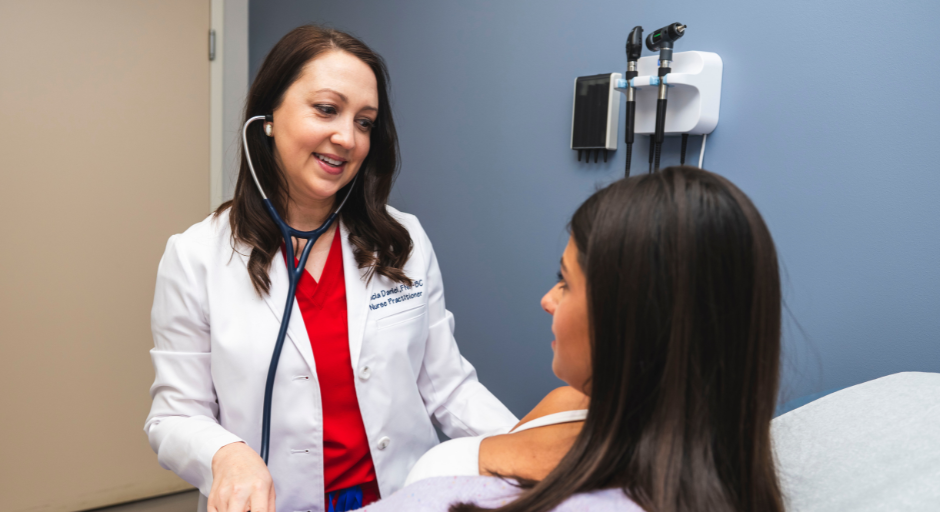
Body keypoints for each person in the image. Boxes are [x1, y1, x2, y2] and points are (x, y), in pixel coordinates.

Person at [144, 26, 517, 512]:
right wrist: (227, 455)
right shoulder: (196, 256)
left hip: (399, 501)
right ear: (269, 117)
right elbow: (174, 416)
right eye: (326, 109)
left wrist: (532, 448)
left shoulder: (401, 241)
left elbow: (448, 387)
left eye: (365, 122)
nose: (347, 138)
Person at [369, 166, 786, 512]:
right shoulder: (569, 403)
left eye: (565, 282)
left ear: (631, 318)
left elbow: (447, 386)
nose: (547, 300)